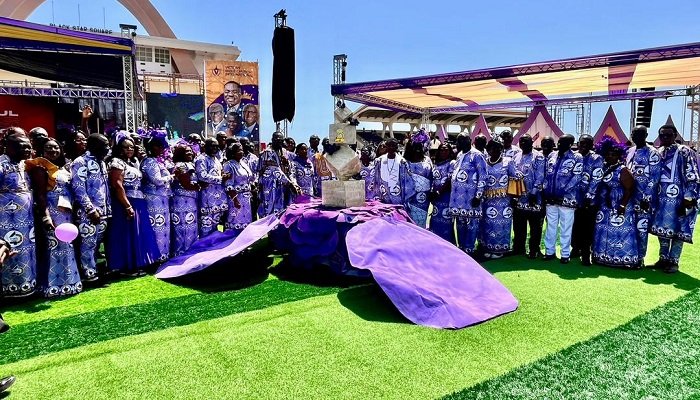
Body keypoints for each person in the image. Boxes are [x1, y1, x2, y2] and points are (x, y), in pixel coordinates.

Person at [26, 140, 82, 297]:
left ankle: (70, 283)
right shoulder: (40, 169)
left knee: (67, 246)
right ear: (41, 151)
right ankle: (52, 286)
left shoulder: (64, 168)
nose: (52, 150)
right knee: (54, 246)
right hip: (53, 211)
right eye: (48, 148)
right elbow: (41, 195)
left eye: (55, 147)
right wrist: (46, 217)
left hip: (67, 213)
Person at [649, 125, 699, 273]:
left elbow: (692, 175)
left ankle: (674, 261)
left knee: (678, 230)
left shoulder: (684, 151)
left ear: (675, 135)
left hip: (680, 198)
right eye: (662, 135)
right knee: (662, 230)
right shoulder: (658, 152)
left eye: (668, 135)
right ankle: (663, 258)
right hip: (661, 199)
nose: (665, 138)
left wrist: (689, 197)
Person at [106, 136, 159, 275]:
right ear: (119, 148)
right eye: (125, 147)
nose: (129, 149)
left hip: (138, 200)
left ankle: (136, 263)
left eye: (131, 147)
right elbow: (117, 185)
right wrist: (127, 206)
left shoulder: (133, 162)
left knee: (138, 233)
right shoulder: (116, 162)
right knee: (126, 233)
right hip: (126, 201)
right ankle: (126, 266)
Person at [592, 138, 638, 268]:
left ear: (619, 155)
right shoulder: (603, 167)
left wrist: (623, 205)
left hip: (619, 204)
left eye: (613, 154)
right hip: (604, 205)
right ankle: (602, 257)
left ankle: (622, 259)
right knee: (603, 230)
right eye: (607, 153)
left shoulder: (623, 170)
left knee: (620, 231)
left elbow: (629, 189)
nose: (609, 156)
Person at [0, 131, 36, 296]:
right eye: (23, 147)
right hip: (5, 222)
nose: (28, 150)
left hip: (26, 221)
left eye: (29, 147)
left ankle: (26, 287)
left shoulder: (25, 164)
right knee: (8, 254)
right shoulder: (1, 164)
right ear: (9, 148)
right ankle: (8, 290)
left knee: (26, 254)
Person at [71, 133, 111, 281]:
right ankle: (88, 275)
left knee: (95, 245)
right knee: (87, 244)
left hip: (104, 212)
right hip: (88, 214)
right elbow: (78, 188)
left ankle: (94, 270)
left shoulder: (101, 162)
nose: (108, 148)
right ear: (93, 146)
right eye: (105, 145)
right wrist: (90, 209)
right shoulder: (80, 162)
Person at [542, 134, 583, 264]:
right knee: (551, 226)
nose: (559, 144)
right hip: (550, 198)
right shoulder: (551, 156)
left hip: (567, 199)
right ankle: (549, 252)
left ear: (571, 144)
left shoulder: (577, 157)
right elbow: (546, 175)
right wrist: (546, 190)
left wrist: (562, 192)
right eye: (559, 142)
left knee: (566, 227)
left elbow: (576, 177)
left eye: (563, 142)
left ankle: (565, 254)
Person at [626, 126, 661, 267]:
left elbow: (655, 177)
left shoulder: (652, 152)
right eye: (634, 134)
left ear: (646, 135)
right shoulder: (630, 151)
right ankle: (630, 255)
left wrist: (646, 198)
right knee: (629, 228)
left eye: (640, 134)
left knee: (641, 229)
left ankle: (640, 258)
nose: (636, 137)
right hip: (629, 198)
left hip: (643, 200)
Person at [481, 140, 520, 259]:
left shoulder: (508, 161)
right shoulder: (484, 162)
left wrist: (515, 197)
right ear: (488, 150)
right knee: (487, 224)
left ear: (501, 149)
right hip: (487, 200)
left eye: (497, 148)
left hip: (504, 200)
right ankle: (488, 247)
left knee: (501, 224)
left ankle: (500, 249)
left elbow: (515, 177)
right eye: (492, 148)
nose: (494, 150)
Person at [449, 133, 487, 254]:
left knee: (471, 225)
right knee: (460, 224)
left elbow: (483, 176)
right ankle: (461, 250)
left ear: (470, 140)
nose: (461, 143)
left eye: (464, 140)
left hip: (471, 197)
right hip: (457, 199)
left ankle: (469, 249)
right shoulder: (459, 155)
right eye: (459, 141)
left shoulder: (477, 155)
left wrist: (478, 195)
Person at [571, 134, 604, 265]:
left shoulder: (597, 158)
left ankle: (586, 254)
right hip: (573, 199)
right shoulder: (574, 156)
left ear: (592, 145)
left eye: (587, 144)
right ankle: (575, 249)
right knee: (575, 225)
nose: (583, 146)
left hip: (589, 201)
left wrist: (589, 196)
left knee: (587, 228)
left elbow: (596, 179)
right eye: (581, 143)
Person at [511, 135, 546, 259]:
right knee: (519, 227)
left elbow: (540, 176)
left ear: (532, 142)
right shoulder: (516, 156)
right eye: (521, 141)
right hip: (519, 198)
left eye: (525, 141)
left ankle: (533, 250)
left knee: (535, 227)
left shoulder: (539, 156)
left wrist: (534, 192)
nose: (522, 143)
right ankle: (519, 248)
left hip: (533, 198)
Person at [141, 136, 174, 262]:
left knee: (162, 228)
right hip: (153, 200)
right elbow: (157, 181)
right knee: (157, 228)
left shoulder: (156, 161)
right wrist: (172, 176)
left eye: (161, 146)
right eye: (157, 146)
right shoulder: (149, 161)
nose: (160, 148)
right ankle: (156, 257)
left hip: (161, 199)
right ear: (150, 147)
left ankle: (163, 255)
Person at [258, 132, 299, 216]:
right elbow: (275, 170)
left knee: (284, 211)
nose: (278, 142)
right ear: (272, 140)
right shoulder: (267, 153)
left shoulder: (285, 152)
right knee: (270, 210)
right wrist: (290, 184)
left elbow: (291, 169)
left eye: (280, 140)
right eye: (276, 140)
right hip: (270, 186)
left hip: (283, 187)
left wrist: (294, 183)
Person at [170, 145, 201, 256]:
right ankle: (181, 253)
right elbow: (186, 184)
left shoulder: (190, 164)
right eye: (186, 152)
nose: (190, 153)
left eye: (190, 151)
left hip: (191, 202)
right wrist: (199, 186)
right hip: (181, 202)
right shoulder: (180, 165)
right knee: (182, 227)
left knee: (190, 227)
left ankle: (190, 251)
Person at [196, 138, 229, 237]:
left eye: (216, 146)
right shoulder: (201, 159)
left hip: (218, 199)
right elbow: (202, 176)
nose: (215, 148)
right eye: (212, 145)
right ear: (205, 147)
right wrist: (220, 179)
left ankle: (213, 249)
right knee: (206, 226)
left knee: (215, 226)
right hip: (207, 199)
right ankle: (205, 249)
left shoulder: (216, 160)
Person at [223, 142, 256, 237]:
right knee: (235, 221)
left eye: (242, 150)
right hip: (236, 198)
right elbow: (228, 185)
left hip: (246, 199)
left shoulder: (243, 163)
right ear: (232, 153)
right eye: (238, 150)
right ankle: (233, 246)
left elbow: (250, 178)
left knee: (246, 222)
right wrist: (235, 200)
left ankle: (243, 245)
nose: (241, 152)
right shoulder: (228, 165)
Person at [372, 138, 414, 209]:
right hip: (383, 199)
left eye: (393, 145)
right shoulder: (379, 161)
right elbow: (375, 180)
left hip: (398, 200)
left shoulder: (402, 162)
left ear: (397, 147)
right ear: (386, 146)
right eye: (389, 145)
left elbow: (407, 182)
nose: (391, 147)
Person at [429, 143, 456, 243]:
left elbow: (450, 180)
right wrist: (432, 192)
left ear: (450, 151)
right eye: (441, 150)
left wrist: (438, 192)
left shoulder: (452, 163)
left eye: (445, 150)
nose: (443, 152)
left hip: (446, 196)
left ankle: (448, 244)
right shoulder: (436, 164)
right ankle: (436, 244)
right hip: (436, 198)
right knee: (435, 221)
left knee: (446, 222)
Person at [404, 140, 434, 228]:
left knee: (421, 220)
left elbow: (432, 176)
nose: (417, 148)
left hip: (424, 197)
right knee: (410, 222)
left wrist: (432, 190)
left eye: (419, 146)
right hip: (410, 196)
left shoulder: (427, 159)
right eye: (415, 146)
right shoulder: (405, 161)